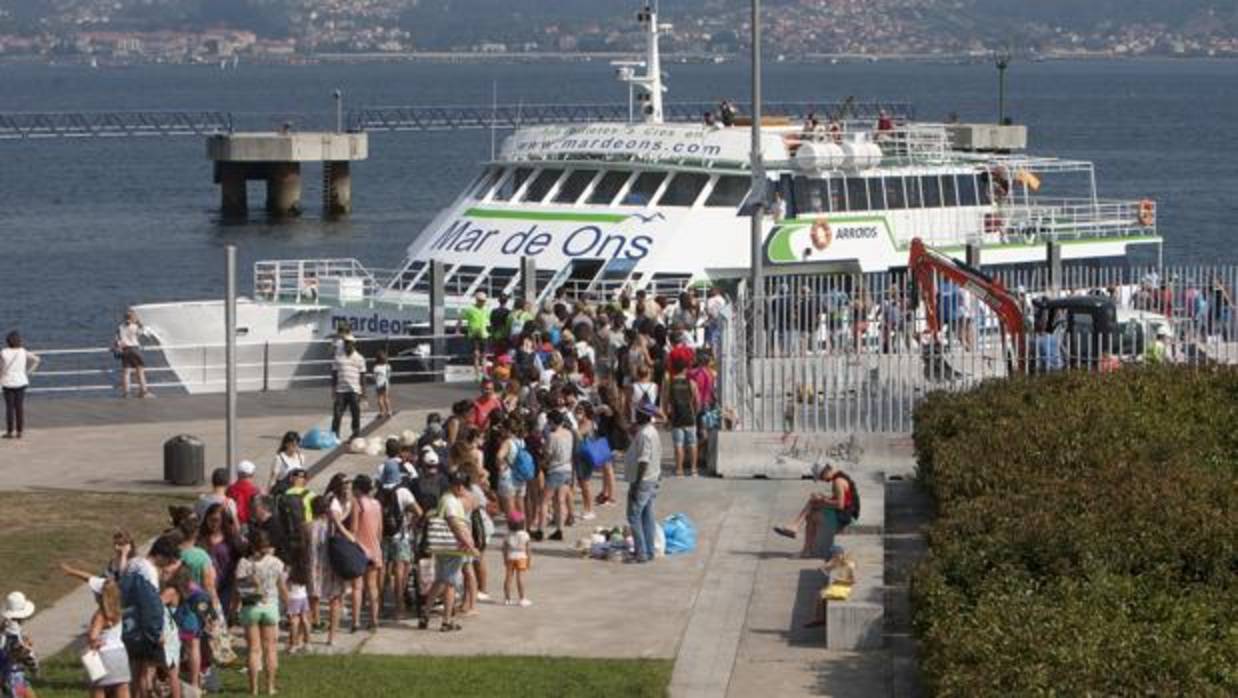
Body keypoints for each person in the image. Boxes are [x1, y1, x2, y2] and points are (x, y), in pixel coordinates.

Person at [120, 532, 182, 698]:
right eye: (168, 560)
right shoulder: (148, 572)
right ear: (160, 555)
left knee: (136, 671)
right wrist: (156, 631)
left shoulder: (133, 564)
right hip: (144, 628)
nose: (168, 564)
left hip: (128, 623)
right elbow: (151, 606)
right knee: (150, 670)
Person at [424, 470, 479, 632]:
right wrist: (469, 545)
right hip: (452, 548)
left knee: (439, 581)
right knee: (450, 584)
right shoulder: (450, 502)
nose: (463, 488)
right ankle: (447, 621)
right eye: (461, 485)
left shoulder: (448, 499)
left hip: (444, 547)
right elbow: (455, 524)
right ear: (455, 485)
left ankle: (425, 615)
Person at [235, 531, 287, 697]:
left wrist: (233, 608)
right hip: (270, 606)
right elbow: (282, 587)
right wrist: (288, 605)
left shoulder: (244, 563)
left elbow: (238, 589)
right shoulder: (277, 563)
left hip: (250, 607)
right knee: (270, 648)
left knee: (253, 650)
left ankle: (253, 689)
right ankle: (270, 687)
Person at [772, 461, 854, 558]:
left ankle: (799, 535)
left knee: (811, 513)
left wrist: (822, 499)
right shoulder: (839, 478)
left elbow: (840, 505)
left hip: (842, 518)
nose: (821, 480)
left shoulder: (838, 482)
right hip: (843, 514)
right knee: (813, 504)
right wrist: (824, 498)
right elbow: (841, 500)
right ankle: (798, 533)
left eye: (820, 477)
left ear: (826, 471)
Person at [377, 464, 421, 621]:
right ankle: (399, 608)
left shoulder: (379, 491)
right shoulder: (403, 492)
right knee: (400, 572)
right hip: (401, 537)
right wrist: (411, 524)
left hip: (383, 537)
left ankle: (379, 606)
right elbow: (419, 512)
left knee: (382, 571)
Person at [305, 497, 347, 646]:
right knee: (334, 600)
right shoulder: (333, 527)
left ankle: (307, 636)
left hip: (313, 566)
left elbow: (303, 549)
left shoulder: (307, 527)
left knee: (311, 602)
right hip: (332, 566)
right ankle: (332, 637)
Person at [625, 400, 663, 564]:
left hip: (644, 480)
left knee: (634, 516)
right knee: (647, 516)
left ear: (643, 415)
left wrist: (637, 483)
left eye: (638, 413)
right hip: (652, 478)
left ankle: (641, 553)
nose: (635, 415)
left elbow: (644, 460)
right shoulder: (650, 431)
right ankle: (649, 550)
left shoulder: (646, 434)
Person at [85, 577, 130, 698]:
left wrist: (91, 640)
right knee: (122, 689)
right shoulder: (117, 611)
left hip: (103, 656)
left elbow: (93, 637)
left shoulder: (100, 614)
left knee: (98, 690)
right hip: (120, 654)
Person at [349, 475, 383, 632]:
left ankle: (355, 621)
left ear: (357, 489)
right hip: (374, 548)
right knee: (372, 586)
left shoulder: (357, 503)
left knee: (357, 587)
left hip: (359, 548)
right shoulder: (376, 504)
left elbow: (354, 528)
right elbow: (379, 530)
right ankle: (374, 620)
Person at [664, 356, 701, 477]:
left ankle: (679, 470)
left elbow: (666, 401)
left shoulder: (670, 383)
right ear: (685, 369)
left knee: (678, 444)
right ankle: (693, 469)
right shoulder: (691, 383)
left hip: (676, 418)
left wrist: (666, 416)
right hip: (690, 417)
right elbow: (697, 401)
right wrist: (695, 413)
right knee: (692, 444)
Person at [1, 332, 39, 441]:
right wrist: (29, 372)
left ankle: (9, 432)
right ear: (19, 341)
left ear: (8, 342)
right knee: (19, 407)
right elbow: (37, 359)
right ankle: (19, 432)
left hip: (7, 382)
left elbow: (1, 368)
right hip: (21, 381)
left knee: (9, 408)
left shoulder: (3, 352)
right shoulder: (22, 351)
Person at [543, 410, 574, 541]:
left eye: (549, 422)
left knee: (544, 501)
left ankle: (540, 528)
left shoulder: (552, 436)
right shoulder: (569, 433)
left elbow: (548, 454)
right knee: (560, 501)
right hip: (567, 468)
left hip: (555, 469)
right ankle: (559, 529)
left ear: (552, 422)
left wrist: (543, 459)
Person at [1, 591, 38, 698]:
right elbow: (19, 653)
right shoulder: (13, 634)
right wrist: (28, 648)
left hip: (11, 675)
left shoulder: (6, 626)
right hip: (13, 677)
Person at [331, 338, 367, 441]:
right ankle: (334, 434)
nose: (347, 346)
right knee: (337, 413)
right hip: (340, 390)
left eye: (349, 343)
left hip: (354, 390)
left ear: (353, 344)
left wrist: (363, 394)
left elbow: (363, 377)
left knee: (355, 413)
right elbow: (334, 374)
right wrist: (333, 389)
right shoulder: (338, 357)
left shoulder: (360, 358)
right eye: (346, 343)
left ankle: (355, 433)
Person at [114, 310, 151, 398]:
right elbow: (146, 333)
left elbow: (117, 340)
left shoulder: (120, 327)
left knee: (126, 372)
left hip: (125, 350)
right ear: (133, 318)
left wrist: (117, 348)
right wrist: (139, 322)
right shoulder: (135, 326)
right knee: (140, 370)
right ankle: (143, 392)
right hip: (134, 349)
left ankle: (127, 393)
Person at [501, 510, 532, 607]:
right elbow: (528, 549)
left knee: (508, 577)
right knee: (520, 578)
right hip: (522, 557)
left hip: (510, 556)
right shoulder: (525, 535)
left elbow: (504, 549)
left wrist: (505, 558)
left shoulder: (507, 535)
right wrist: (529, 561)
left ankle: (507, 599)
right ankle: (522, 598)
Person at [459, 291, 491, 376]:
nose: (483, 302)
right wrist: (458, 329)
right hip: (473, 334)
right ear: (476, 300)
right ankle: (477, 375)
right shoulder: (470, 309)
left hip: (484, 334)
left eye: (484, 301)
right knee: (476, 355)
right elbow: (460, 317)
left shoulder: (486, 309)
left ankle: (485, 373)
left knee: (484, 355)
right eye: (481, 300)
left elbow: (489, 320)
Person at [227, 460, 262, 529]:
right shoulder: (255, 490)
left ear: (238, 474)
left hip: (234, 524)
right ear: (251, 474)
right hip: (251, 524)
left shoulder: (230, 489)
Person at [373, 350, 392, 419]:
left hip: (379, 383)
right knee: (386, 398)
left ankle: (382, 411)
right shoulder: (388, 366)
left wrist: (375, 380)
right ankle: (389, 411)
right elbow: (389, 375)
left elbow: (374, 376)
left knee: (380, 398)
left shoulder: (376, 367)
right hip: (385, 383)